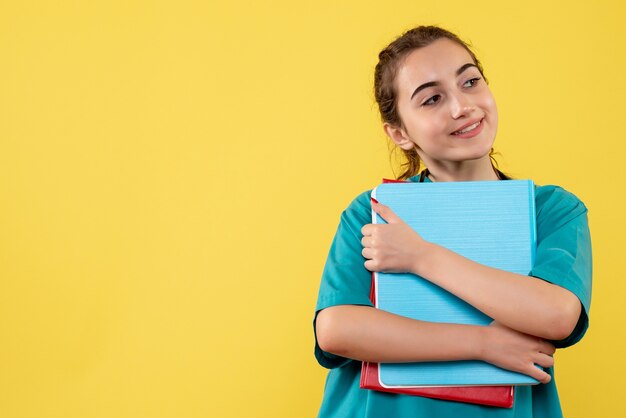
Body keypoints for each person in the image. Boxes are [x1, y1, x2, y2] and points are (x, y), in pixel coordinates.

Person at [313, 26, 592, 418]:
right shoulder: (373, 210)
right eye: (431, 99)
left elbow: (558, 314)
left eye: (471, 81)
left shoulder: (551, 208)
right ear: (399, 132)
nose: (462, 106)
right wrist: (481, 343)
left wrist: (421, 257)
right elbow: (338, 329)